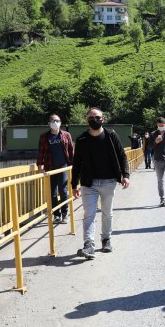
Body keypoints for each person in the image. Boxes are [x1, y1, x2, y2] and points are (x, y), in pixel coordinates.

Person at [71, 107, 130, 259]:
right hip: (88, 183)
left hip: (109, 181)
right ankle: (89, 244)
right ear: (87, 121)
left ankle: (106, 239)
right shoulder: (82, 139)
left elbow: (122, 155)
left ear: (103, 119)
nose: (94, 120)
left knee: (106, 213)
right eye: (91, 118)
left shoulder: (111, 136)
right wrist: (74, 184)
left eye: (97, 117)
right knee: (89, 214)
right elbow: (77, 162)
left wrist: (125, 175)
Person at [37, 113, 74, 225]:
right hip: (50, 168)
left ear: (60, 122)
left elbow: (71, 150)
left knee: (63, 191)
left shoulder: (66, 135)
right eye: (53, 121)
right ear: (49, 123)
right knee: (52, 193)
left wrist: (74, 165)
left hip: (63, 167)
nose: (55, 122)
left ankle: (65, 214)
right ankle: (57, 215)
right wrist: (40, 167)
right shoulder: (44, 137)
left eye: (57, 120)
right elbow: (41, 152)